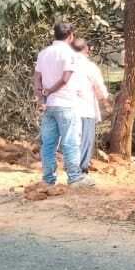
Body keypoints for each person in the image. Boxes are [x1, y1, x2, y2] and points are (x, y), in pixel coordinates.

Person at [33, 22, 94, 187]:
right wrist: (50, 91)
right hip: (67, 104)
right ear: (71, 36)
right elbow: (65, 79)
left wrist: (41, 97)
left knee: (49, 144)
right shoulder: (70, 54)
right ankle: (75, 177)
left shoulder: (44, 53)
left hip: (49, 106)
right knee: (70, 142)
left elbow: (37, 78)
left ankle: (48, 179)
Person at [70, 38, 109, 174]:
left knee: (71, 138)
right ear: (86, 49)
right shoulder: (90, 67)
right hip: (85, 108)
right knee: (86, 139)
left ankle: (71, 165)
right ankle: (81, 168)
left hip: (66, 107)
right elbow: (99, 88)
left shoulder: (64, 64)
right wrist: (105, 100)